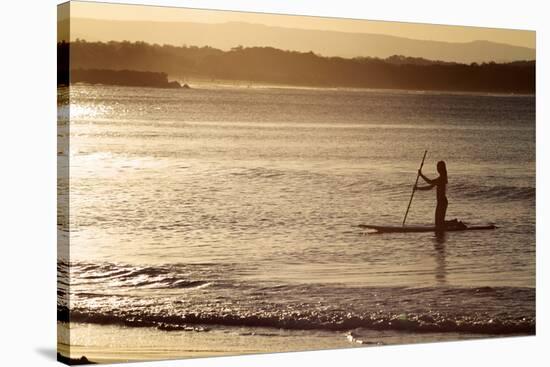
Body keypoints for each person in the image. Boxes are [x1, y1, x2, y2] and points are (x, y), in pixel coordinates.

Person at [415, 161, 448, 232]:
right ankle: (453, 223)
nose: (437, 169)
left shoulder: (442, 178)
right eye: (437, 167)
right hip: (440, 202)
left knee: (439, 224)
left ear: (442, 168)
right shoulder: (439, 178)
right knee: (438, 223)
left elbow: (430, 182)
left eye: (438, 167)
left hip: (442, 202)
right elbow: (429, 187)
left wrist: (421, 175)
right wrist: (418, 188)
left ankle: (455, 223)